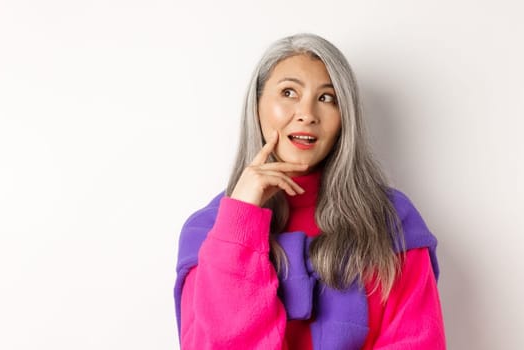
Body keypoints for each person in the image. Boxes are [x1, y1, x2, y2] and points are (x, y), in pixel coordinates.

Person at [173, 33, 446, 349]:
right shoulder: (206, 231)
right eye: (288, 92)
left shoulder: (392, 221)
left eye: (327, 98)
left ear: (345, 118)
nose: (307, 114)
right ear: (257, 105)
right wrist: (240, 220)